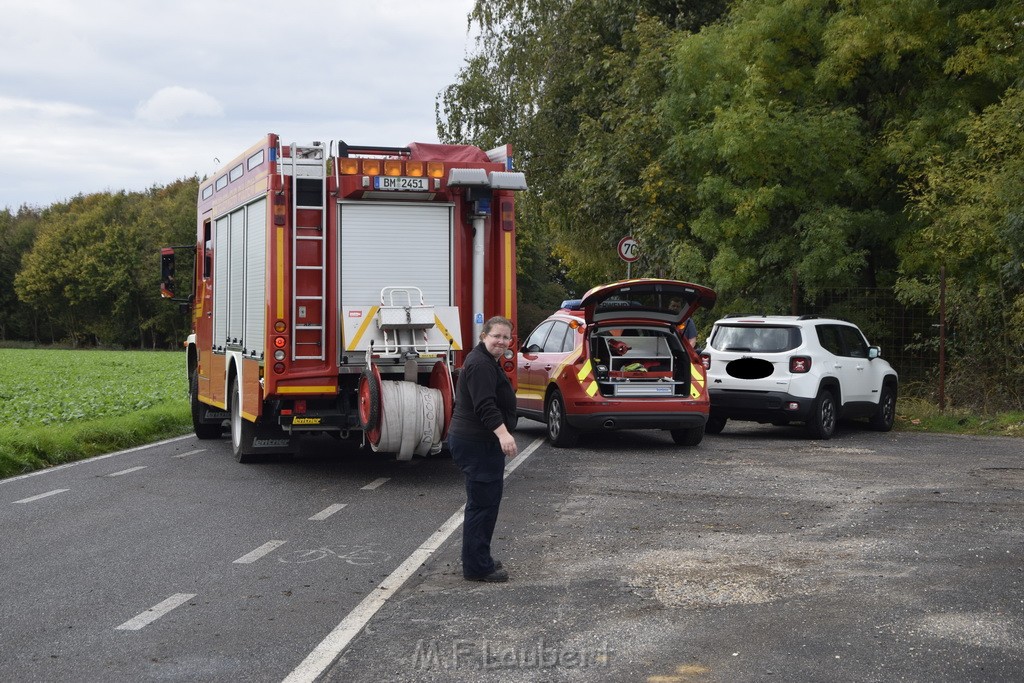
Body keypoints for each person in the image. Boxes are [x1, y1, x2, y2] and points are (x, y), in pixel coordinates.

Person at [447, 316, 519, 583]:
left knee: (484, 503)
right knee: (482, 505)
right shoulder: (480, 364)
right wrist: (503, 435)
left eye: (505, 337)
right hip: (477, 443)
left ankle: (478, 558)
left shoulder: (486, 361)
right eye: (496, 336)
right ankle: (477, 567)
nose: (500, 341)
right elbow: (485, 405)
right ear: (483, 336)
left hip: (478, 443)